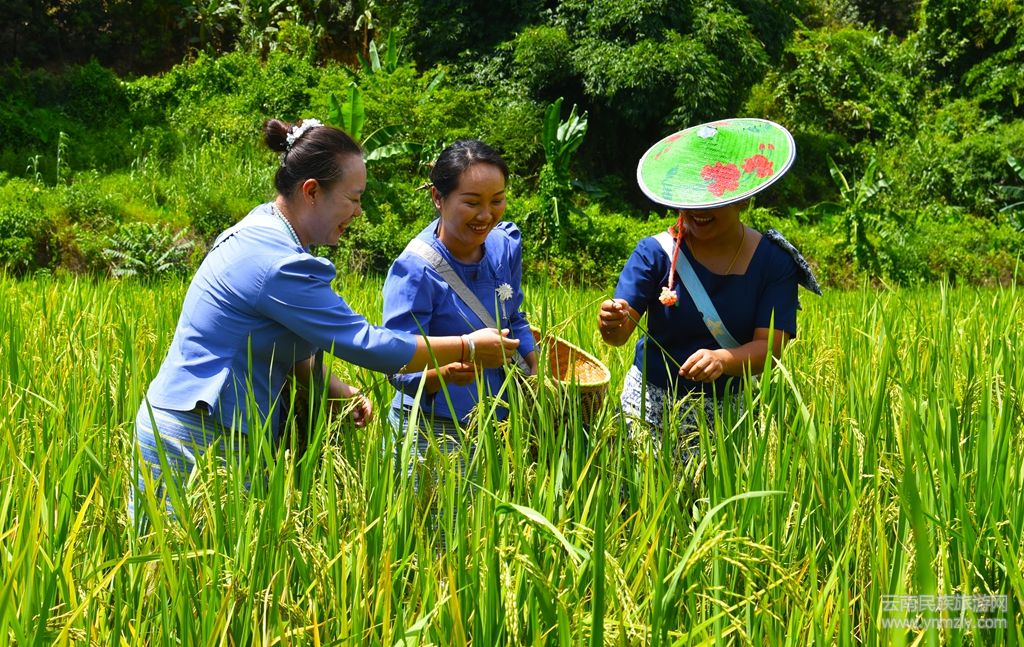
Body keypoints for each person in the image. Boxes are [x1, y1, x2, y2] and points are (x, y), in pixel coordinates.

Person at [132, 119, 519, 518]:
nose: (358, 212)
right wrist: (469, 346)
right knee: (184, 555)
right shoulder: (278, 262)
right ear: (312, 191)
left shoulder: (263, 229)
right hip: (197, 436)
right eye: (353, 199)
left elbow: (284, 344)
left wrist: (336, 391)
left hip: (215, 429)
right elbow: (366, 343)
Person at [598, 118, 820, 453]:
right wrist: (612, 321)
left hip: (727, 417)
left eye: (712, 200)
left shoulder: (774, 262)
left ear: (743, 199)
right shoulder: (655, 253)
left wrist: (723, 360)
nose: (698, 211)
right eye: (689, 199)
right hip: (648, 411)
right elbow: (617, 337)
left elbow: (770, 350)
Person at [382, 139, 537, 457]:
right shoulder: (416, 269)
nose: (486, 215)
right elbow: (396, 360)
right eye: (472, 202)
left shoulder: (505, 246)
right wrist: (442, 374)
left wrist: (535, 371)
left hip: (499, 423)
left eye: (497, 200)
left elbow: (513, 316)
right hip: (432, 430)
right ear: (438, 198)